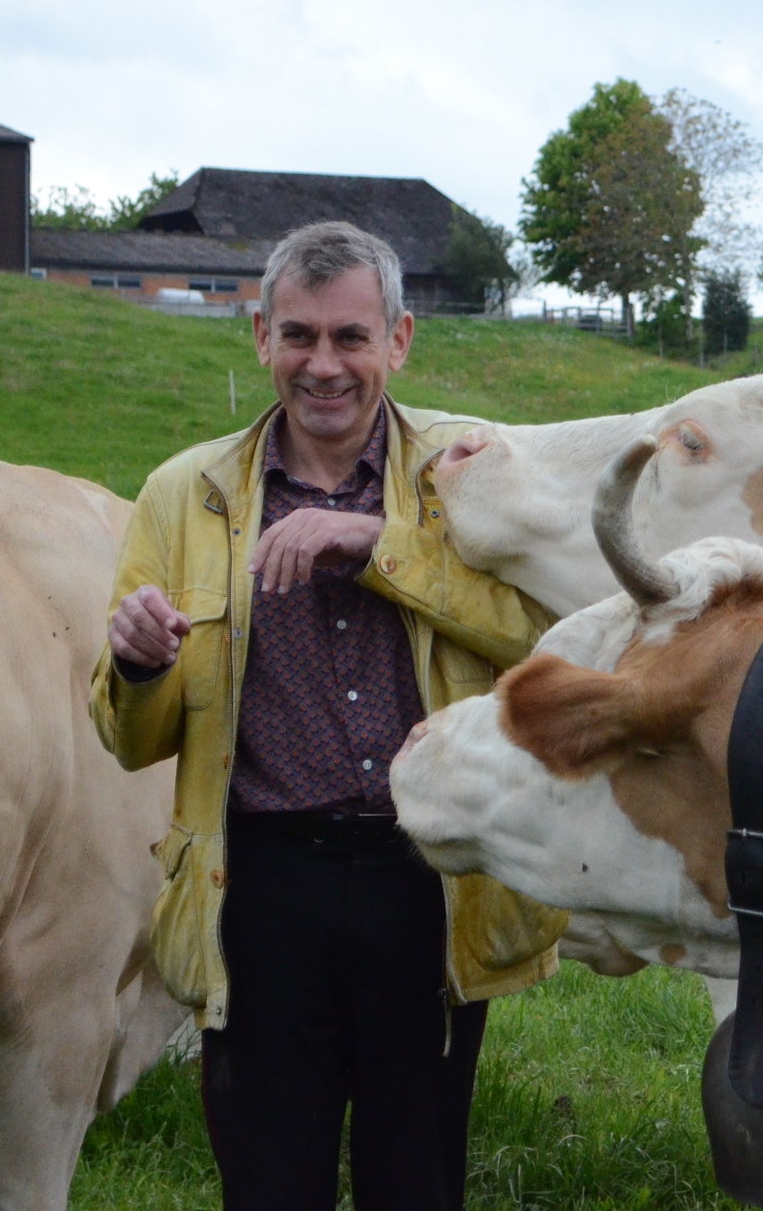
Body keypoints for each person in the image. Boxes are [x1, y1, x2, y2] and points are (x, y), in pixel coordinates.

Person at [89, 220, 569, 1210]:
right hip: (260, 892)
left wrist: (377, 544)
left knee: (416, 1184)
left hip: (425, 885)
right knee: (270, 1186)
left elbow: (546, 641)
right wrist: (136, 668)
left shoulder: (470, 474)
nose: (324, 365)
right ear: (259, 334)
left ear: (398, 341)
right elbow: (133, 741)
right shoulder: (185, 495)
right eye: (299, 335)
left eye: (350, 338)